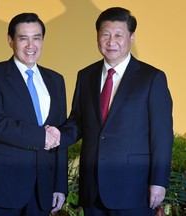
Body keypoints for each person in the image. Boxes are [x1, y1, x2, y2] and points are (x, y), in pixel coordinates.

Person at [58, 7, 174, 216]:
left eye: (119, 35)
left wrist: (158, 181)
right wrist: (55, 136)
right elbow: (78, 121)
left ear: (131, 37)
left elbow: (162, 135)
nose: (111, 42)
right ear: (97, 37)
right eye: (105, 34)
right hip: (92, 187)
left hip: (134, 188)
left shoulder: (151, 78)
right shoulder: (85, 76)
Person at [0, 13, 67, 216]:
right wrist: (40, 136)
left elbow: (58, 133)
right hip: (5, 186)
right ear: (10, 40)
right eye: (23, 38)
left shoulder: (55, 80)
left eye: (36, 38)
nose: (30, 45)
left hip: (43, 188)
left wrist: (60, 184)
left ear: (43, 40)